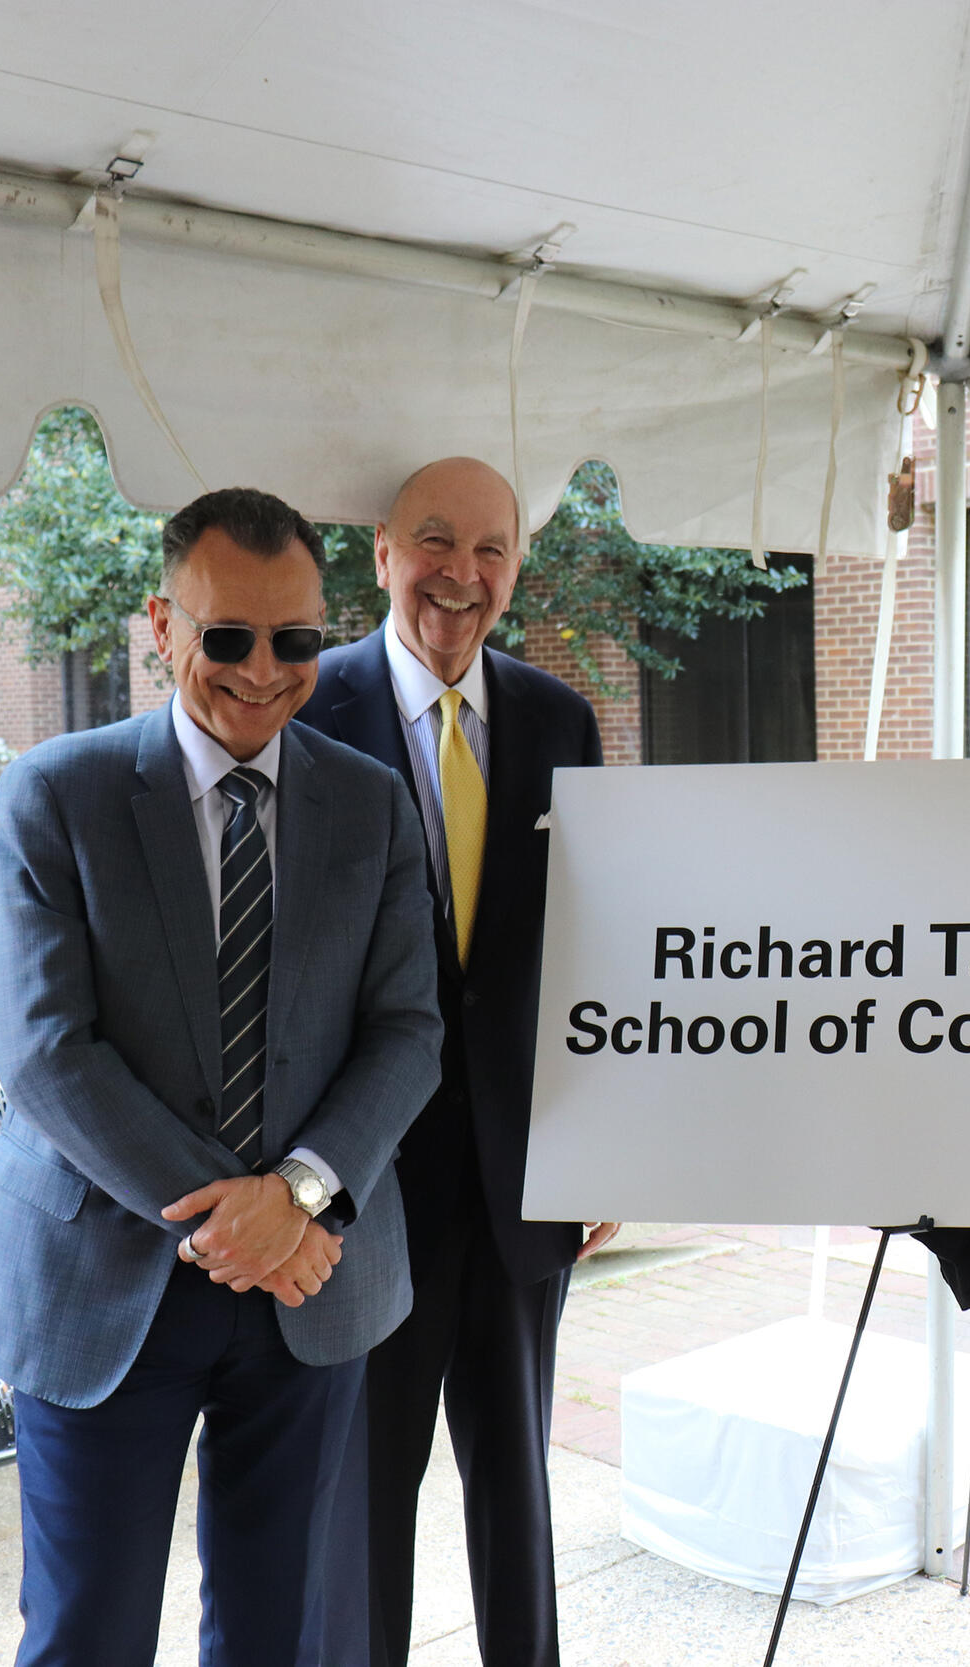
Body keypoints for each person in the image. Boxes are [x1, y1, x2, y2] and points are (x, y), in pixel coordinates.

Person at [0, 487, 442, 1665]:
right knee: (87, 1633)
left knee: (280, 1634)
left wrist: (301, 1195)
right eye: (226, 635)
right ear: (161, 623)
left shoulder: (372, 803)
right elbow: (46, 1049)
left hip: (311, 1287)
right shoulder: (56, 794)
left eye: (295, 637)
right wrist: (243, 1222)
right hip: (100, 1283)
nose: (262, 670)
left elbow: (406, 1030)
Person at [298, 456, 615, 1667]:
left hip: (525, 1189)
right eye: (435, 541)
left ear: (516, 568)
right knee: (366, 1503)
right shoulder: (305, 706)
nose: (461, 574)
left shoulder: (559, 719)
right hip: (363, 1198)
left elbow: (589, 950)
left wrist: (607, 1145)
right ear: (381, 551)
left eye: (492, 549)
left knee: (518, 1492)